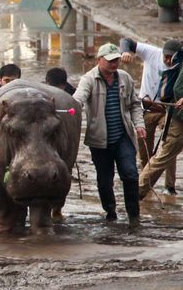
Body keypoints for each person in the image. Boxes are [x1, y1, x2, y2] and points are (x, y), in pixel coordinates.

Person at [73, 43, 146, 229]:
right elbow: (79, 98)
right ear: (99, 60)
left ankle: (134, 216)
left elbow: (135, 104)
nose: (114, 64)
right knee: (104, 181)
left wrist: (139, 124)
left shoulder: (125, 78)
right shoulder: (89, 79)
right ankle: (111, 213)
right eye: (110, 61)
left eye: (116, 60)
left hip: (123, 136)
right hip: (99, 140)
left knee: (130, 174)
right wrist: (72, 109)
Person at [120, 38, 182, 195]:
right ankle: (147, 182)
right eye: (165, 57)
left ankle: (169, 186)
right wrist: (125, 51)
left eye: (171, 58)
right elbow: (126, 40)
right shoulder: (151, 53)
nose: (167, 61)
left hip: (167, 110)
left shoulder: (180, 64)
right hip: (146, 108)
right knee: (144, 148)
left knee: (169, 145)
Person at [139, 47, 183, 200]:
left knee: (164, 155)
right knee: (164, 154)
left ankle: (168, 187)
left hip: (172, 115)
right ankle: (136, 193)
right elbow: (177, 88)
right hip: (177, 118)